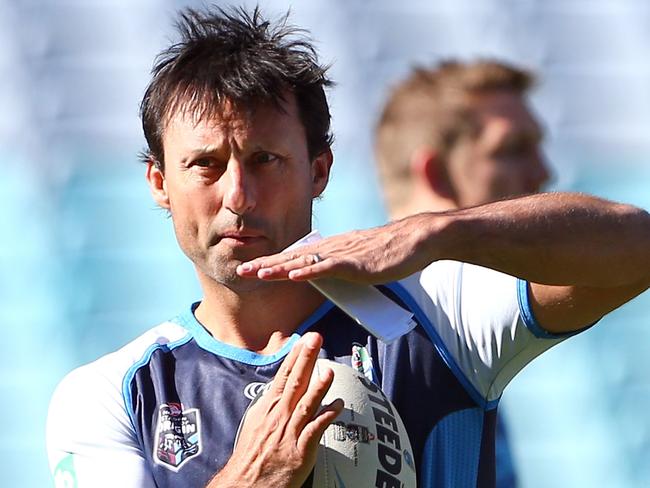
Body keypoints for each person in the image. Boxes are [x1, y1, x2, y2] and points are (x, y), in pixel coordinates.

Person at [46, 6, 650, 488]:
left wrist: (438, 231)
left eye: (266, 160)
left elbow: (639, 245)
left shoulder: (433, 314)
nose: (237, 195)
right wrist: (255, 478)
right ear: (159, 183)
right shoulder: (110, 394)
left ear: (320, 171)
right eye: (205, 164)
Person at [374, 60, 550, 487]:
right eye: (512, 149)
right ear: (436, 173)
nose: (544, 172)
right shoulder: (376, 343)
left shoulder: (464, 327)